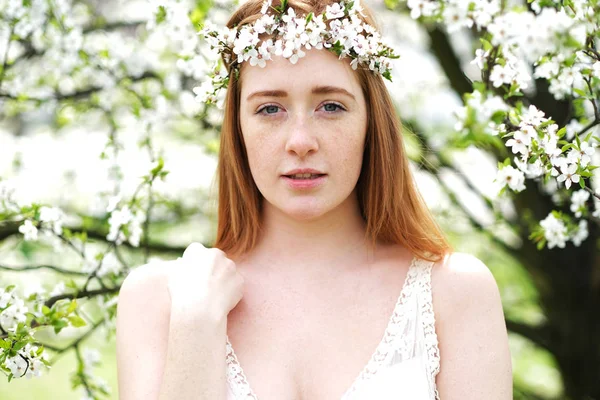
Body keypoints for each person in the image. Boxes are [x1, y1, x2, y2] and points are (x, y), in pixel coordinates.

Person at [115, 0, 513, 399]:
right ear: (237, 127)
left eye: (331, 106)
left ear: (370, 121)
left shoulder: (455, 294)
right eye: (270, 108)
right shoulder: (159, 302)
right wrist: (195, 327)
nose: (301, 142)